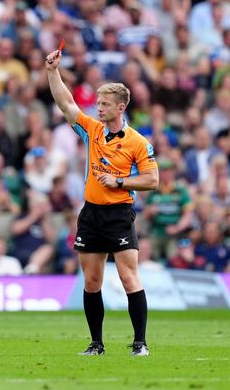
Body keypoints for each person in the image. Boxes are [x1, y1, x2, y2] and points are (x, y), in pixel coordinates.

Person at [45, 47, 159, 357]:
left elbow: (152, 180)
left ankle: (140, 343)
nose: (99, 108)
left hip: (119, 213)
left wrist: (120, 181)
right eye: (97, 103)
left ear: (121, 107)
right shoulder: (91, 131)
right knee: (92, 280)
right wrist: (53, 72)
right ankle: (96, 344)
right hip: (91, 213)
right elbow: (66, 104)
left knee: (127, 276)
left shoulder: (137, 142)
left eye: (105, 104)